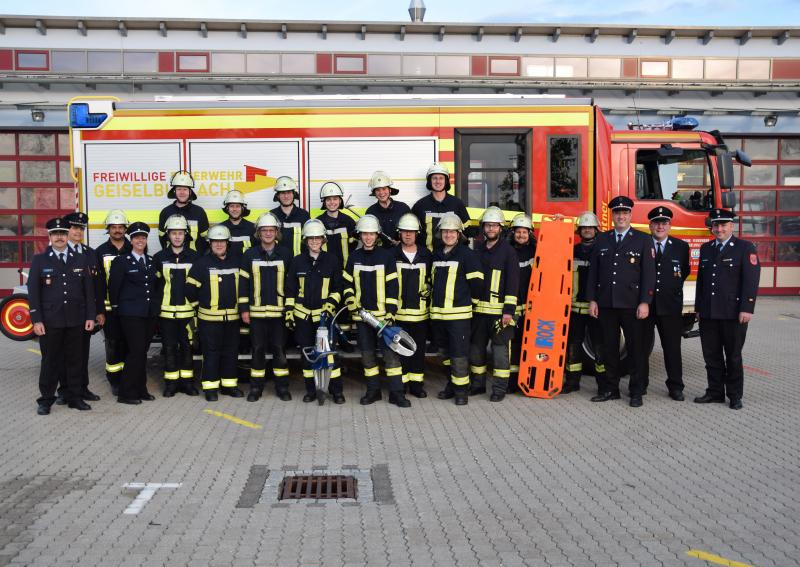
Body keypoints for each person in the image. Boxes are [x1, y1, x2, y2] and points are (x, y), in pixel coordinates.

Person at [587, 196, 656, 408]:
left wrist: (645, 301)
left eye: (625, 213)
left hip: (632, 304)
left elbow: (649, 274)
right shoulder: (602, 239)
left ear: (630, 215)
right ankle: (611, 388)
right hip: (606, 303)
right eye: (617, 213)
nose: (621, 216)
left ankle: (636, 391)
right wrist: (592, 300)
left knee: (636, 350)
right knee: (609, 349)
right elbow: (593, 273)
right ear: (612, 216)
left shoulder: (643, 240)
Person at [694, 209, 760, 410]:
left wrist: (747, 308)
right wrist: (698, 308)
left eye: (723, 225)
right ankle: (715, 392)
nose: (719, 229)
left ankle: (734, 395)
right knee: (711, 355)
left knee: (733, 355)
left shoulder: (744, 248)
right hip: (709, 313)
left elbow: (750, 281)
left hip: (733, 313)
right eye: (716, 225)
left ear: (732, 226)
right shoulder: (706, 249)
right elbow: (701, 282)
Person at [28, 218, 96, 415]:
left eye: (63, 233)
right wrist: (36, 320)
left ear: (67, 236)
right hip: (50, 321)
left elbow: (88, 291)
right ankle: (46, 400)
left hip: (76, 319)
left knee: (75, 360)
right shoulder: (40, 260)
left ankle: (74, 397)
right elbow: (34, 293)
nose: (59, 237)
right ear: (49, 237)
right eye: (55, 234)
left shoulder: (80, 259)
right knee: (50, 361)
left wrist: (90, 316)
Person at [343, 214, 409, 408]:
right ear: (360, 236)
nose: (368, 238)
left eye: (371, 234)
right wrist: (350, 299)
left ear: (377, 235)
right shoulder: (353, 258)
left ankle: (397, 394)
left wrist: (390, 312)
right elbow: (346, 283)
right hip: (363, 318)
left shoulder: (386, 257)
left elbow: (393, 287)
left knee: (391, 356)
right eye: (365, 234)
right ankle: (373, 391)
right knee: (367, 354)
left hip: (383, 319)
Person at [285, 219, 344, 403]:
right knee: (307, 355)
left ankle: (336, 391)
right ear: (305, 241)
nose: (314, 242)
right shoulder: (297, 261)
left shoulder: (332, 260)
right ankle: (311, 391)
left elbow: (338, 288)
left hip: (324, 317)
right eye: (310, 239)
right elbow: (290, 289)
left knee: (329, 355)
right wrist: (289, 310)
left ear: (323, 240)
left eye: (317, 238)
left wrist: (331, 304)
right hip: (303, 316)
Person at [239, 212, 293, 402]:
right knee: (258, 351)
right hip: (256, 313)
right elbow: (243, 284)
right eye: (264, 230)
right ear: (258, 233)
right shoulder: (249, 255)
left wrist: (289, 308)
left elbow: (291, 284)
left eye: (271, 230)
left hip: (279, 313)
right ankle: (256, 388)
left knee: (279, 351)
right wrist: (244, 309)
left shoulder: (286, 253)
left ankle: (282, 388)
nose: (268, 234)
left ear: (277, 232)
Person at [431, 213, 484, 406]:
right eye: (445, 231)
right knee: (445, 354)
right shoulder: (436, 255)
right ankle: (452, 386)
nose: (448, 234)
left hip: (459, 316)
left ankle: (462, 392)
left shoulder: (467, 255)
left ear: (459, 233)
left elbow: (477, 284)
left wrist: (471, 305)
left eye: (452, 231)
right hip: (438, 315)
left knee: (459, 354)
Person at [469, 207, 520, 402]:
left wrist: (508, 311)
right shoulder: (477, 250)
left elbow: (512, 283)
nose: (490, 229)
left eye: (494, 225)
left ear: (501, 228)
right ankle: (478, 384)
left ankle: (499, 389)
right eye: (487, 225)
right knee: (476, 349)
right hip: (479, 312)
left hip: (500, 313)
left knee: (500, 352)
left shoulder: (509, 252)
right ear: (483, 228)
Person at [186, 225, 243, 401]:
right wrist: (199, 307)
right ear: (210, 244)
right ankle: (210, 388)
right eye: (215, 242)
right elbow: (189, 289)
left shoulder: (237, 262)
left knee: (231, 352)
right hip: (209, 320)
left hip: (232, 319)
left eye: (222, 241)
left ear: (228, 243)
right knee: (211, 353)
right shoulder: (201, 264)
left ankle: (229, 386)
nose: (219, 245)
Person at [54, 211, 103, 404]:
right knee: (64, 354)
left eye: (81, 228)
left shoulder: (90, 253)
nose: (78, 232)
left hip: (85, 314)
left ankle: (82, 388)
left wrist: (99, 311)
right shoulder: (60, 253)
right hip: (64, 313)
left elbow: (97, 285)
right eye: (74, 227)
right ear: (67, 229)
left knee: (82, 353)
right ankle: (64, 390)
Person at [108, 222, 159, 405]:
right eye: (137, 237)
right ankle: (126, 393)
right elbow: (114, 288)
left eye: (143, 238)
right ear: (131, 240)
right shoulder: (121, 261)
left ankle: (141, 389)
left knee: (142, 353)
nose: (140, 240)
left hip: (148, 314)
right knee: (135, 352)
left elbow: (154, 287)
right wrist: (116, 309)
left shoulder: (151, 261)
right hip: (130, 314)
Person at [643, 206, 690, 400]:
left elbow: (684, 271)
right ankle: (640, 385)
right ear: (650, 225)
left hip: (670, 306)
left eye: (664, 223)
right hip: (645, 305)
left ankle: (675, 387)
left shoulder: (681, 247)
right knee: (641, 348)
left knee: (672, 348)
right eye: (656, 223)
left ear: (670, 225)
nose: (660, 226)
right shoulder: (642, 243)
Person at [152, 214, 199, 397]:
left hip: (188, 313)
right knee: (169, 348)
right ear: (168, 235)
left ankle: (187, 383)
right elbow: (155, 287)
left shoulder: (195, 257)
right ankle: (171, 384)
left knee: (187, 348)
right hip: (167, 314)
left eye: (180, 233)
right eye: (173, 233)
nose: (177, 236)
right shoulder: (159, 257)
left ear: (185, 235)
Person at [564, 212, 606, 394]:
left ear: (596, 230)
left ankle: (603, 384)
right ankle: (572, 382)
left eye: (590, 227)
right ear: (579, 230)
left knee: (599, 346)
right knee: (573, 345)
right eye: (584, 228)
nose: (587, 230)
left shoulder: (604, 249)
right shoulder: (572, 251)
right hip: (574, 308)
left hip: (596, 308)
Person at [393, 213, 433, 398]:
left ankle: (417, 385)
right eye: (404, 232)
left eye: (411, 232)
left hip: (420, 314)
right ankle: (401, 385)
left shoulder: (427, 255)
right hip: (398, 313)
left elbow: (434, 280)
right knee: (400, 351)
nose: (408, 235)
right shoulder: (391, 255)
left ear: (417, 233)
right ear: (399, 233)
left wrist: (429, 288)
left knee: (417, 350)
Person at [95, 210, 132, 396]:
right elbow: (97, 283)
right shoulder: (100, 252)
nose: (117, 230)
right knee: (113, 344)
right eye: (114, 227)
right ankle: (114, 380)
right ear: (108, 229)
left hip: (129, 308)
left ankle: (127, 377)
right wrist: (99, 310)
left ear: (125, 229)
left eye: (120, 227)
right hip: (109, 308)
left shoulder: (133, 249)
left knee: (128, 343)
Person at [411, 163, 470, 251]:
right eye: (434, 178)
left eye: (441, 178)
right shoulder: (420, 205)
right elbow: (412, 233)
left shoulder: (457, 204)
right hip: (427, 258)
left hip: (452, 256)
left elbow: (468, 231)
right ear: (429, 181)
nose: (438, 181)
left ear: (446, 181)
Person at [508, 213, 536, 391]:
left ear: (530, 234)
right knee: (514, 345)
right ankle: (513, 382)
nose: (521, 235)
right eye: (518, 232)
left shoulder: (537, 250)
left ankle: (530, 379)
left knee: (531, 343)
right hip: (513, 307)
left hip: (532, 307)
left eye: (524, 232)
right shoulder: (507, 250)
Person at [158, 170, 209, 255]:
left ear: (190, 192)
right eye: (179, 189)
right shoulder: (165, 212)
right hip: (172, 259)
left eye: (185, 189)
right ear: (174, 191)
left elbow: (206, 239)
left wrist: (199, 257)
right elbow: (162, 239)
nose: (182, 192)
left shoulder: (199, 212)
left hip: (194, 261)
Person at [365, 170, 411, 249]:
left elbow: (412, 231)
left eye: (384, 189)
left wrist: (404, 242)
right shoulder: (370, 212)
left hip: (401, 252)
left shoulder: (403, 208)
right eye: (378, 190)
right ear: (374, 194)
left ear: (389, 190)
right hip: (379, 254)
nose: (381, 192)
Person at [316, 181, 356, 270]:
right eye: (328, 199)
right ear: (324, 202)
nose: (332, 202)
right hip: (324, 270)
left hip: (345, 270)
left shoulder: (348, 222)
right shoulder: (318, 222)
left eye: (335, 199)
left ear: (340, 200)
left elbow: (355, 245)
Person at [270, 176, 310, 258]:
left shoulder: (304, 215)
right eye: (282, 193)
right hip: (278, 263)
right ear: (278, 196)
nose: (286, 196)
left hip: (299, 263)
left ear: (294, 194)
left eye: (288, 192)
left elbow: (309, 242)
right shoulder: (272, 215)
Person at [219, 190, 256, 259]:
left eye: (237, 206)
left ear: (242, 208)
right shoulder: (220, 228)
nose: (234, 209)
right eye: (232, 206)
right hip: (227, 267)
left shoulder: (252, 228)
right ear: (227, 208)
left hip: (246, 268)